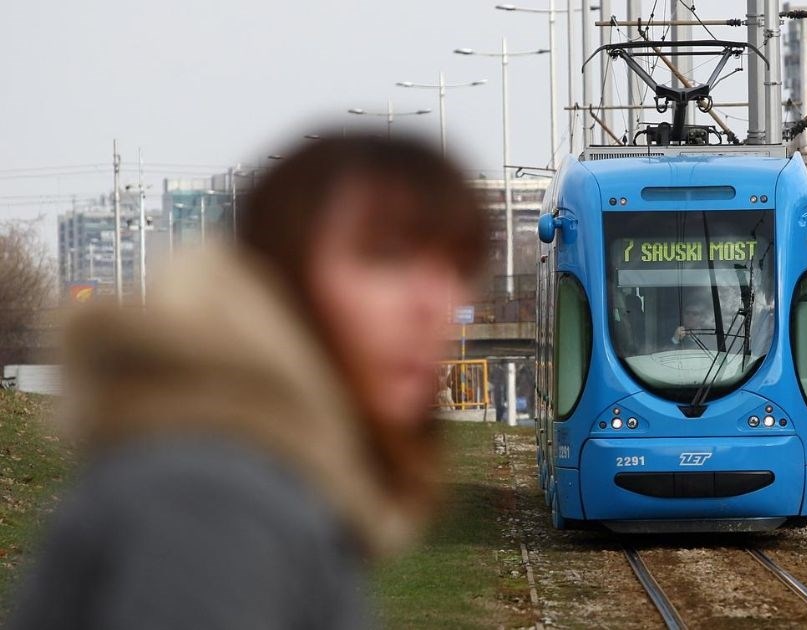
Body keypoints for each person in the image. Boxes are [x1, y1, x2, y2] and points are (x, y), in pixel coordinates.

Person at [7, 135, 487, 630]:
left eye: (456, 267)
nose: (436, 304)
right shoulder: (212, 498)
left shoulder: (253, 471)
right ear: (275, 275)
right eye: (387, 256)